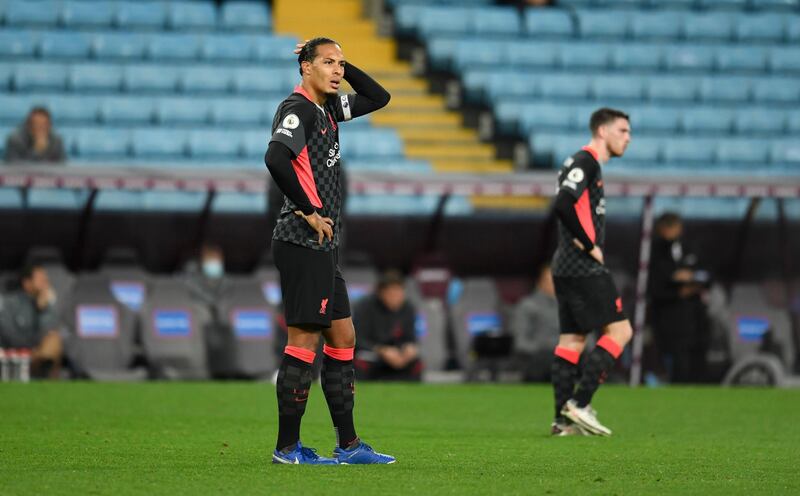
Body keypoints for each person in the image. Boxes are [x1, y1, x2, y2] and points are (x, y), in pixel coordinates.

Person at [264, 37, 393, 465]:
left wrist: (344, 64)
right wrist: (309, 209)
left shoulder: (328, 110)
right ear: (304, 67)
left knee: (343, 338)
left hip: (323, 244)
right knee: (303, 341)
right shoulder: (298, 109)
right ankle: (286, 448)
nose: (337, 70)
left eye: (340, 63)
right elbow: (276, 159)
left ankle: (349, 445)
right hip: (302, 240)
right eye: (327, 62)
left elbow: (379, 96)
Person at [549, 108, 633, 437]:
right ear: (602, 130)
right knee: (621, 332)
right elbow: (562, 204)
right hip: (583, 265)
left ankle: (561, 421)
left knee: (571, 341)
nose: (628, 138)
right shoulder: (586, 161)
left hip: (564, 266)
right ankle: (580, 403)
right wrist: (589, 244)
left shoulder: (582, 164)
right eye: (623, 130)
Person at [648, 212, 710, 383]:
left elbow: (708, 275)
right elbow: (652, 286)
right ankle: (671, 386)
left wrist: (693, 277)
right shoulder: (652, 251)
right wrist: (676, 288)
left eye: (674, 227)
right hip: (668, 317)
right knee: (673, 359)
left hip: (694, 316)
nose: (671, 232)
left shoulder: (691, 248)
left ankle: (698, 388)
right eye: (667, 228)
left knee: (696, 356)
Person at [352, 270, 421, 382]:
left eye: (399, 293)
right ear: (380, 292)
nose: (396, 298)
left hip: (397, 355)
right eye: (391, 294)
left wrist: (409, 347)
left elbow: (410, 337)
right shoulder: (364, 307)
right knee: (362, 361)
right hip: (373, 354)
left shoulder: (408, 308)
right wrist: (381, 350)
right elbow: (358, 339)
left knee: (417, 363)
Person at [0, 264, 63, 378]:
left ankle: (50, 388)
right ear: (27, 283)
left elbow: (49, 335)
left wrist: (44, 310)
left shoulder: (47, 305)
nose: (45, 282)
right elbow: (9, 335)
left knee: (54, 340)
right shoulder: (10, 303)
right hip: (14, 355)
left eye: (46, 279)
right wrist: (32, 349)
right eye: (41, 279)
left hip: (39, 358)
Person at [509, 264, 559, 382]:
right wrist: (549, 349)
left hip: (570, 357)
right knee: (546, 359)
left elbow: (588, 339)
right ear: (540, 282)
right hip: (539, 359)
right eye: (550, 280)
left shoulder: (573, 307)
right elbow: (520, 343)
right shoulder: (527, 306)